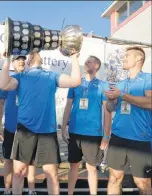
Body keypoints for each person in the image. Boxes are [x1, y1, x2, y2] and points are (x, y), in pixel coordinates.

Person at [0, 50, 81, 195]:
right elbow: (3, 84)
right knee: (18, 172)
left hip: (47, 132)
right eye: (31, 52)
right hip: (25, 130)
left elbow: (75, 81)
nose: (33, 53)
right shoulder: (21, 76)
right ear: (28, 61)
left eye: (35, 52)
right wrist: (6, 60)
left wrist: (74, 58)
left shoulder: (51, 76)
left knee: (52, 174)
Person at [105, 46, 152, 195]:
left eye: (127, 56)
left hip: (140, 138)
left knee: (142, 182)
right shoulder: (120, 83)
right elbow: (111, 108)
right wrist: (110, 100)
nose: (123, 58)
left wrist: (123, 95)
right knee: (114, 178)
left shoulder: (148, 79)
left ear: (139, 58)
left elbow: (150, 102)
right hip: (118, 137)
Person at [62, 55, 112, 195]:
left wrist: (106, 136)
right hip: (75, 131)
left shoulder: (103, 86)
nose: (85, 63)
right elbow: (68, 106)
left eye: (89, 62)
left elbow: (107, 112)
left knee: (91, 168)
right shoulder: (76, 83)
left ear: (96, 66)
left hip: (93, 134)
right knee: (73, 166)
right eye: (85, 61)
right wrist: (64, 127)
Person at [0, 55, 37, 195]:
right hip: (10, 128)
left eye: (23, 59)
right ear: (12, 63)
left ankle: (31, 190)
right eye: (17, 59)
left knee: (30, 161)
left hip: (28, 128)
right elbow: (1, 103)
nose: (21, 61)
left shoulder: (31, 80)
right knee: (8, 160)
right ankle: (7, 190)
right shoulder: (7, 81)